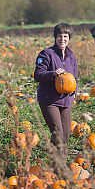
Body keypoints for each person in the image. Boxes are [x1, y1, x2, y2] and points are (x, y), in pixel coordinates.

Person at [34, 23, 78, 158]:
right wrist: (53, 74)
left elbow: (75, 78)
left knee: (65, 134)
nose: (62, 39)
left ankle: (59, 164)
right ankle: (58, 166)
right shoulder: (47, 54)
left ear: (69, 38)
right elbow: (37, 75)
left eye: (65, 36)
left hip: (65, 100)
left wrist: (73, 92)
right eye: (59, 36)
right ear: (55, 37)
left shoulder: (71, 56)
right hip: (49, 100)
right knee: (57, 132)